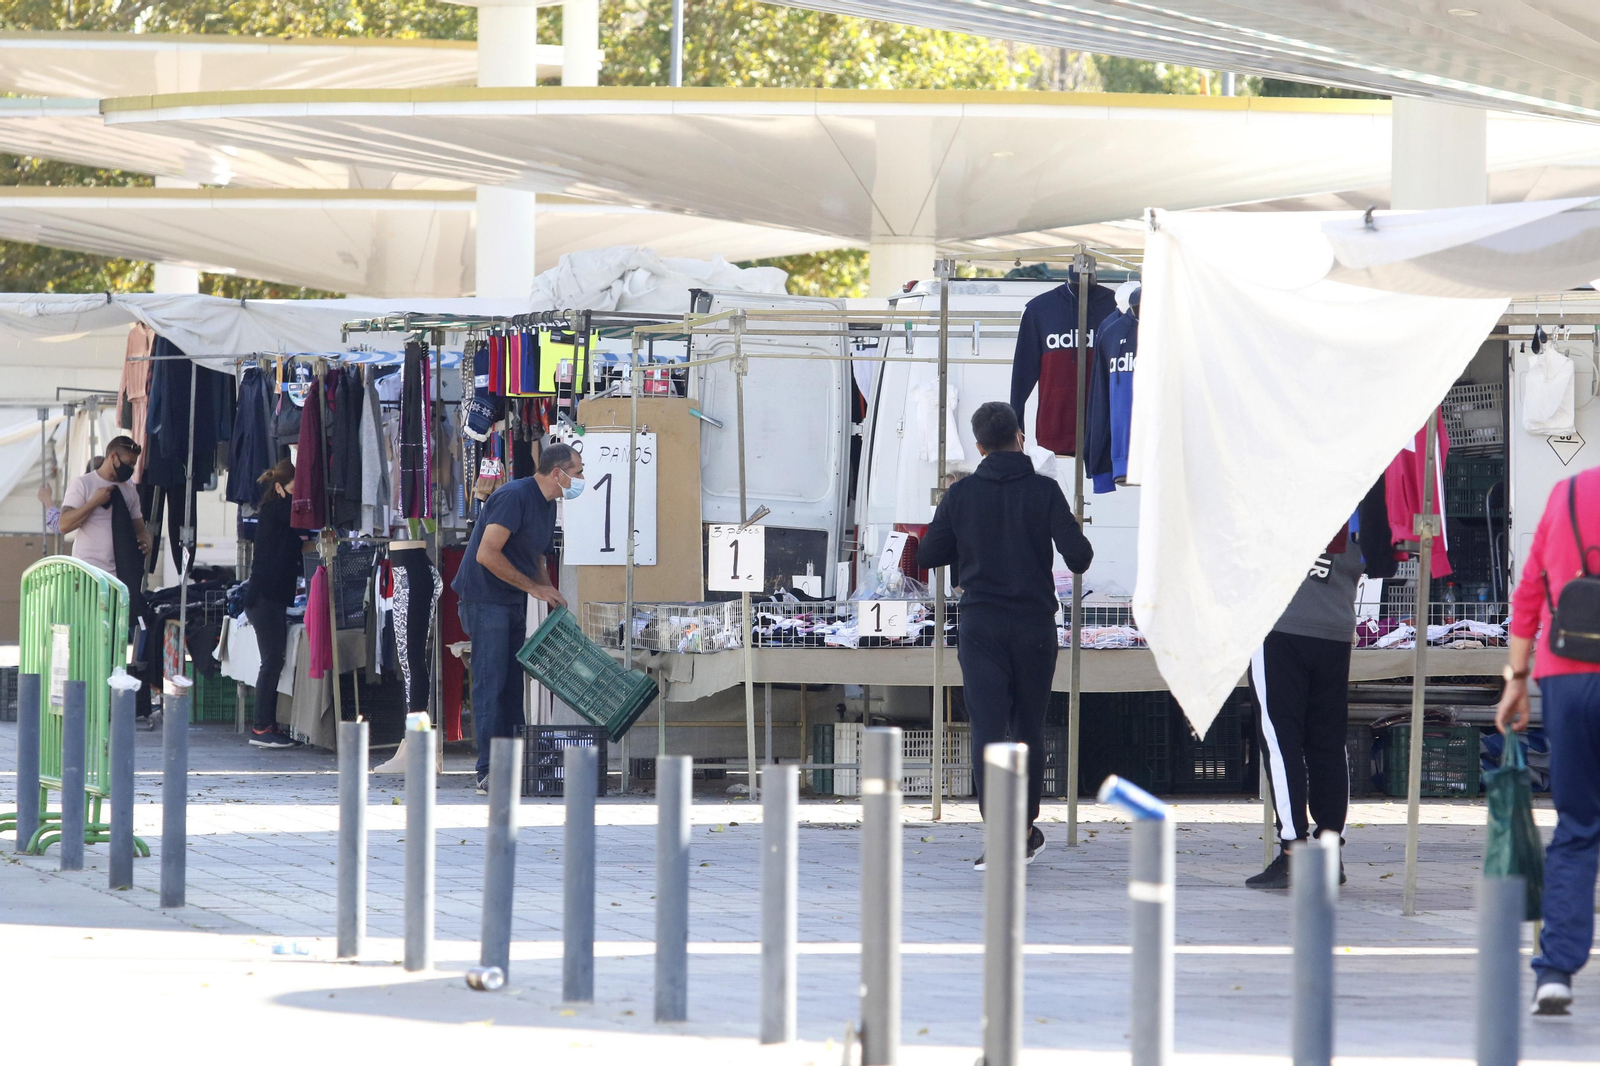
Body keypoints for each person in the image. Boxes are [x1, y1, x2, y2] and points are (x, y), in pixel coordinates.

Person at [918, 401, 1092, 869]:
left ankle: (1001, 832)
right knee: (1029, 727)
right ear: (1020, 436)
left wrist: (962, 531)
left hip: (981, 626)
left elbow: (930, 554)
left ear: (978, 446)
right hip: (1035, 625)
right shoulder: (1046, 490)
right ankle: (1024, 827)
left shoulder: (962, 495)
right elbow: (1079, 557)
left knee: (989, 730)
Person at [1498, 466, 1600, 1017]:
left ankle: (1555, 972)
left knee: (1578, 827)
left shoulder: (1569, 493)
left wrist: (1516, 680)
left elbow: (1528, 596)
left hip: (1568, 674)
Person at [452, 442, 583, 794]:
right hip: (485, 598)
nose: (581, 479)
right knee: (492, 684)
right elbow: (486, 553)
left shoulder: (547, 505)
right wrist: (535, 590)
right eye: (578, 472)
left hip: (511, 600)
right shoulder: (514, 496)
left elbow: (537, 556)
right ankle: (488, 770)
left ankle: (514, 765)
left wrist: (547, 588)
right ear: (558, 473)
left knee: (512, 687)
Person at [243, 459, 304, 749]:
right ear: (279, 488)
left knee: (274, 661)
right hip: (265, 598)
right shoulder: (277, 511)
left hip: (269, 598)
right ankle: (261, 727)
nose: (298, 495)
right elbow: (298, 523)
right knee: (272, 661)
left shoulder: (278, 512)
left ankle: (267, 724)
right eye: (294, 488)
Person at [58, 437, 151, 571]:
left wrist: (146, 539)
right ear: (113, 457)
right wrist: (94, 502)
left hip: (119, 573)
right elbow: (64, 525)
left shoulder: (130, 492)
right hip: (87, 571)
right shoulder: (83, 484)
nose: (130, 468)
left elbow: (140, 529)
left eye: (133, 465)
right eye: (128, 463)